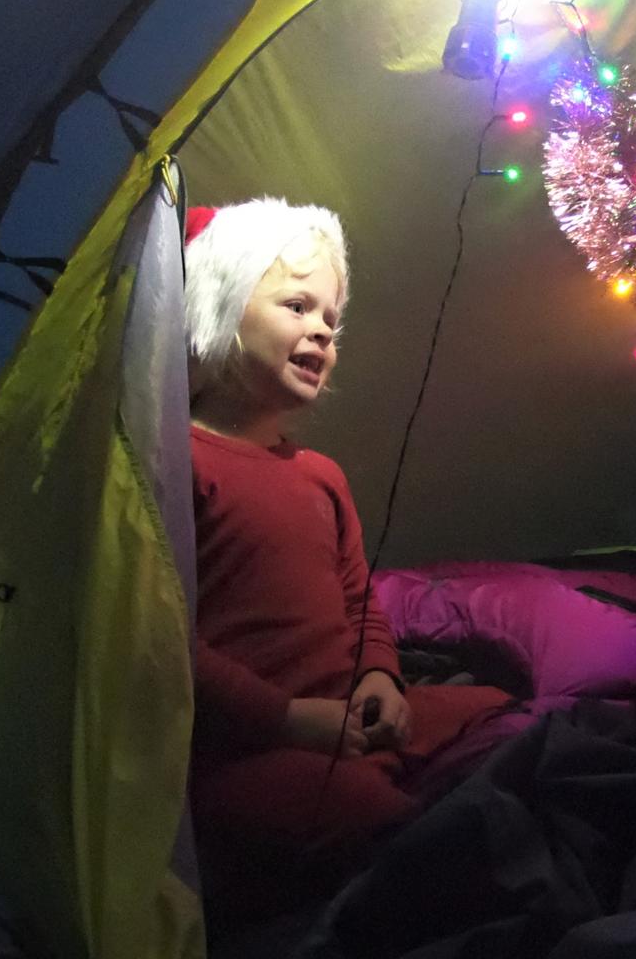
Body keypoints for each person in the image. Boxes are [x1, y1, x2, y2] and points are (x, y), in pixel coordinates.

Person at [179, 198, 525, 921]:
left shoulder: (321, 475)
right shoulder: (178, 461)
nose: (320, 332)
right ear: (219, 299)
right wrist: (286, 719)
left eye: (332, 321)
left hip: (349, 718)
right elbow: (156, 641)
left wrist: (381, 677)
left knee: (503, 715)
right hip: (246, 748)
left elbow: (359, 600)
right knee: (383, 826)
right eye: (297, 305)